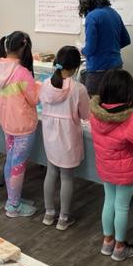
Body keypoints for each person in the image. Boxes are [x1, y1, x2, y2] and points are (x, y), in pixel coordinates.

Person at [90, 69, 133, 261]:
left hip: (105, 167)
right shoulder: (130, 119)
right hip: (125, 171)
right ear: (127, 94)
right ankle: (120, 247)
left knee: (109, 201)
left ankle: (107, 242)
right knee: (122, 206)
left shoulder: (96, 114)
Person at [39, 46, 90, 231]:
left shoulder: (45, 84)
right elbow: (86, 115)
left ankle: (48, 213)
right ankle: (63, 218)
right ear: (76, 67)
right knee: (67, 177)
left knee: (51, 172)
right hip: (68, 139)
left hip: (50, 137)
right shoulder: (79, 89)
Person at [0, 31, 40, 218]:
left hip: (7, 124)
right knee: (18, 165)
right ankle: (13, 206)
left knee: (11, 161)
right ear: (24, 48)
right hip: (24, 127)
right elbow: (34, 99)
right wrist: (39, 86)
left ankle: (13, 198)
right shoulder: (22, 73)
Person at [78, 0, 131, 96]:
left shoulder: (92, 16)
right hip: (117, 68)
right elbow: (126, 40)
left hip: (98, 71)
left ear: (84, 1)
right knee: (111, 102)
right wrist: (109, 47)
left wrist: (81, 50)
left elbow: (90, 49)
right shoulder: (114, 13)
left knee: (93, 103)